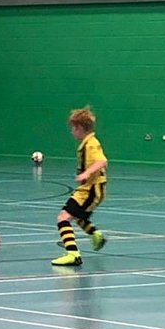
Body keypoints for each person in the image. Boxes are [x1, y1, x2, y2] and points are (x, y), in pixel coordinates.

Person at [52, 106, 108, 267]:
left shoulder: (90, 144)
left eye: (73, 128)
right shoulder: (88, 142)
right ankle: (96, 235)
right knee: (78, 216)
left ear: (80, 128)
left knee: (63, 217)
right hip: (90, 189)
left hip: (90, 189)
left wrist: (86, 174)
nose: (71, 132)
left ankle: (73, 254)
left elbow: (102, 161)